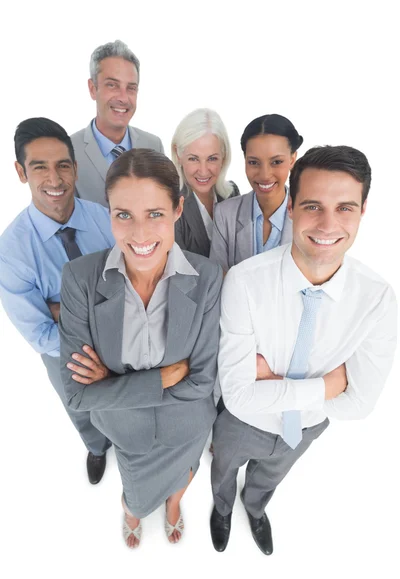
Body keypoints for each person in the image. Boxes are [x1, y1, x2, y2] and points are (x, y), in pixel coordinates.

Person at [210, 145, 397, 555]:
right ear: (291, 206)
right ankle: (222, 508)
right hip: (244, 422)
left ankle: (254, 509)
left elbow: (360, 404)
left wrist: (273, 383)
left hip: (308, 426)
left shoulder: (379, 300)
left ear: (363, 211)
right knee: (223, 469)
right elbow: (238, 395)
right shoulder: (243, 283)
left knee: (270, 477)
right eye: (313, 205)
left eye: (345, 207)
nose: (329, 223)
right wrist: (329, 385)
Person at [58, 148, 222, 548]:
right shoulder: (81, 278)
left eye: (155, 214)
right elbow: (78, 394)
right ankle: (133, 510)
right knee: (135, 492)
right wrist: (162, 378)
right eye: (124, 215)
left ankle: (173, 504)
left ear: (178, 209)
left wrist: (113, 381)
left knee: (183, 475)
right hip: (128, 434)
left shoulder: (207, 276)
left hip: (187, 427)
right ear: (108, 213)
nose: (140, 233)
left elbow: (202, 381)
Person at [0, 117, 116, 484]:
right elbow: (39, 333)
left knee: (126, 398)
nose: (55, 179)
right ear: (21, 172)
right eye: (40, 167)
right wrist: (93, 318)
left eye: (63, 165)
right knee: (80, 410)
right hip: (63, 355)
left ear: (75, 168)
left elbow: (131, 286)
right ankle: (97, 448)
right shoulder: (11, 251)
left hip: (122, 336)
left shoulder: (105, 218)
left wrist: (62, 309)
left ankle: (128, 444)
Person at [71, 40, 164, 206]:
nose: (123, 98)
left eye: (131, 88)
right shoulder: (69, 151)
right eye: (112, 85)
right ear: (93, 89)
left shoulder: (153, 145)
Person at [210, 113, 303, 271]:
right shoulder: (225, 214)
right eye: (254, 162)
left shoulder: (307, 215)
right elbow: (217, 278)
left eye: (276, 162)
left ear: (292, 160)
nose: (265, 175)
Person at [171, 108, 239, 257]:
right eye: (193, 159)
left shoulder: (232, 194)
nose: (203, 171)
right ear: (178, 154)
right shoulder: (169, 203)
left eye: (212, 158)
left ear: (224, 156)